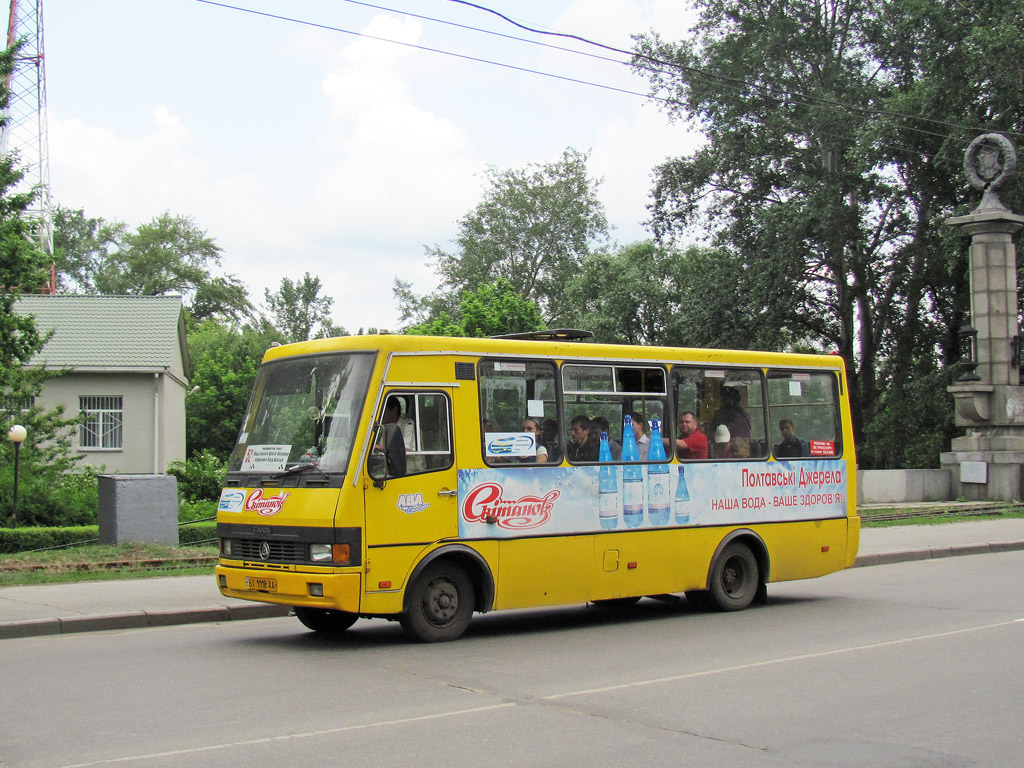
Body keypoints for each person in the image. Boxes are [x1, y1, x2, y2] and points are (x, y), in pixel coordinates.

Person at [375, 397, 407, 477]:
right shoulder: (384, 428)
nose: (379, 414)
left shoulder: (408, 425)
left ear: (394, 410)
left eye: (383, 410)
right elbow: (389, 457)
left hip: (412, 473)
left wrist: (379, 447)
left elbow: (409, 451)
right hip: (392, 472)